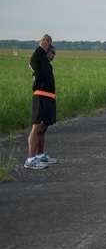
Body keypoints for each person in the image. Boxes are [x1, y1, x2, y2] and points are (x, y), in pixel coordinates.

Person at [25, 34, 57, 169]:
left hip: (48, 99)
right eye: (52, 52)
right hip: (40, 98)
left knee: (43, 129)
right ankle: (31, 159)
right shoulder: (37, 60)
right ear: (45, 51)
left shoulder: (47, 66)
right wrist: (46, 41)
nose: (53, 56)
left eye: (55, 54)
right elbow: (41, 48)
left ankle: (40, 155)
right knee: (37, 128)